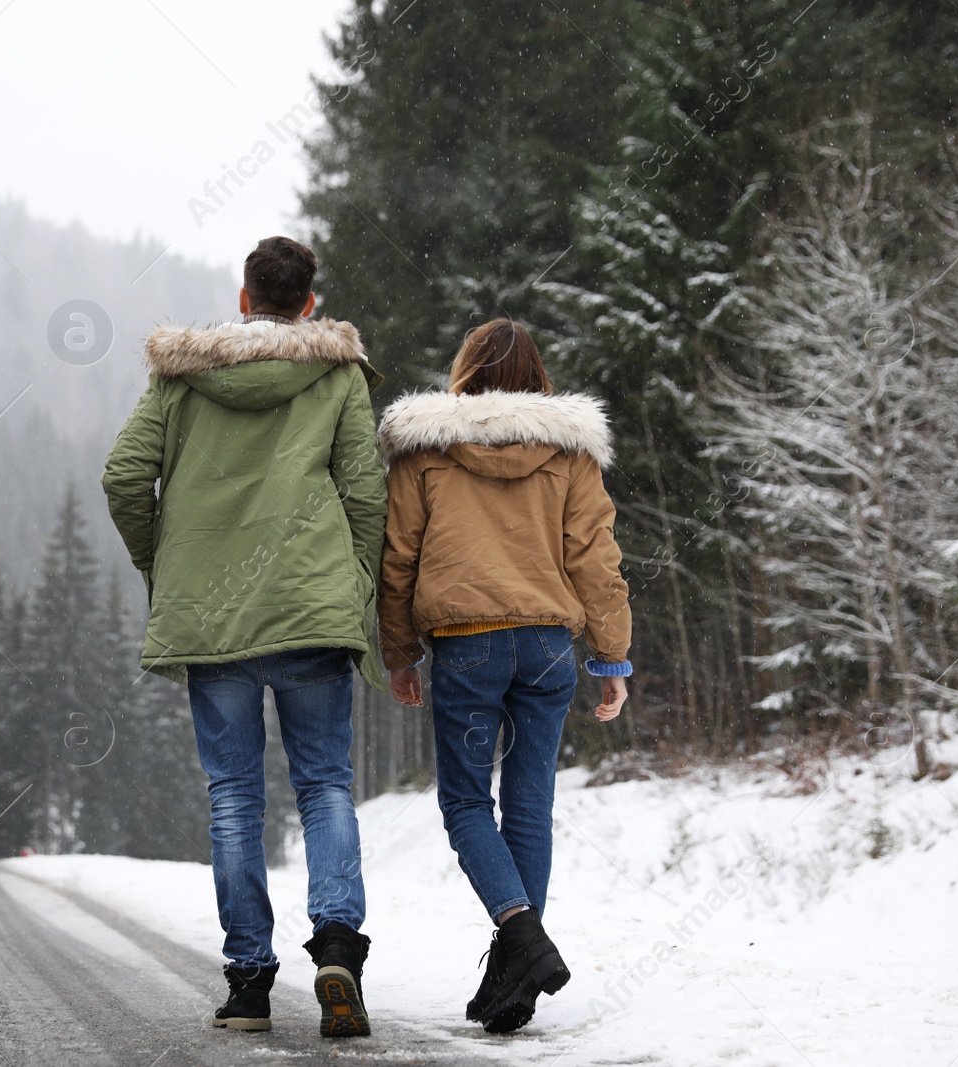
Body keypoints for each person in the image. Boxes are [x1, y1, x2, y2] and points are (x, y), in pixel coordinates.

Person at [101, 236, 386, 1037]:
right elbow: (366, 493)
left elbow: (124, 475)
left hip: (213, 614)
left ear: (242, 298)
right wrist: (352, 590)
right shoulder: (335, 376)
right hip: (309, 611)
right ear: (309, 305)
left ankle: (250, 982)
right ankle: (336, 942)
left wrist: (166, 562)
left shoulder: (181, 379)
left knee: (233, 795)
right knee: (325, 782)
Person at [376, 318, 632, 1034]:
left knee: (464, 803)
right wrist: (611, 656)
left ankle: (518, 938)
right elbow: (595, 558)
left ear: (464, 371)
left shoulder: (425, 450)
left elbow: (398, 556)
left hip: (467, 644)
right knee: (528, 807)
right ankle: (513, 980)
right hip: (548, 646)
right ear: (538, 375)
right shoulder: (570, 452)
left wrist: (400, 649)